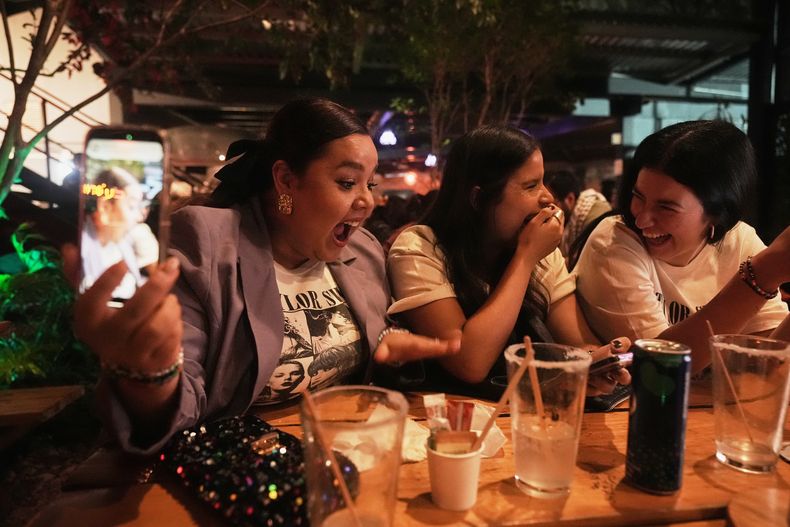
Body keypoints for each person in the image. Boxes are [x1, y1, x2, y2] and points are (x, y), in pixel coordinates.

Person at [72, 98, 460, 455]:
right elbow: (182, 402)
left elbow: (363, 349)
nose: (368, 201)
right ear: (286, 181)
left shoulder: (362, 250)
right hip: (245, 463)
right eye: (347, 182)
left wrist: (384, 345)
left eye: (370, 184)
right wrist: (149, 376)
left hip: (347, 450)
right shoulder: (208, 241)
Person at [386, 125, 631, 399]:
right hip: (447, 423)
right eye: (531, 185)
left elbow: (577, 342)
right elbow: (469, 363)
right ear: (478, 198)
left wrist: (596, 363)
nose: (548, 196)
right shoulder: (419, 247)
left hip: (523, 414)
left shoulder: (540, 252)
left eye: (543, 181)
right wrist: (525, 259)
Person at [574, 120, 790, 373]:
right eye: (638, 197)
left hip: (709, 410)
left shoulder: (739, 240)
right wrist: (760, 275)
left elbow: (768, 363)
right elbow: (660, 368)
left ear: (716, 213)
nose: (641, 219)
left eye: (665, 207)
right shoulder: (613, 243)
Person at [80, 167, 152, 300]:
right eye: (131, 207)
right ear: (105, 207)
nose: (138, 217)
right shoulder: (81, 250)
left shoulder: (121, 243)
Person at [544, 170, 611, 261]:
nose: (549, 210)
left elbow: (589, 258)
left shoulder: (594, 212)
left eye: (553, 203)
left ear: (570, 199)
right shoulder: (569, 218)